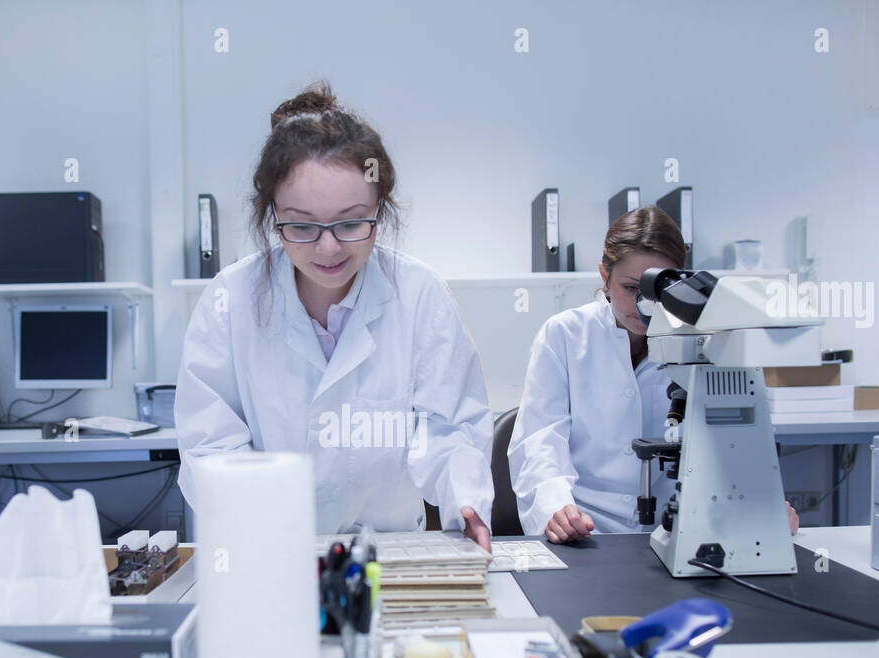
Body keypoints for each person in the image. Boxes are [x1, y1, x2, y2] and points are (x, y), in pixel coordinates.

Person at [175, 82, 494, 548]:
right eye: (302, 225)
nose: (328, 247)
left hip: (389, 551)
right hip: (272, 547)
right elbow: (210, 445)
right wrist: (268, 533)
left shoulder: (419, 295)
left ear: (379, 210)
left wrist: (465, 500)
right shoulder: (231, 300)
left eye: (350, 222)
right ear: (273, 214)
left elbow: (449, 429)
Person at [508, 206, 799, 542]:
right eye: (630, 287)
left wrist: (762, 506)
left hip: (678, 527)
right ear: (604, 276)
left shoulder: (710, 341)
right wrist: (556, 509)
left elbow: (735, 440)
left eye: (656, 291)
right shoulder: (565, 335)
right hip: (586, 526)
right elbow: (540, 440)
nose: (643, 305)